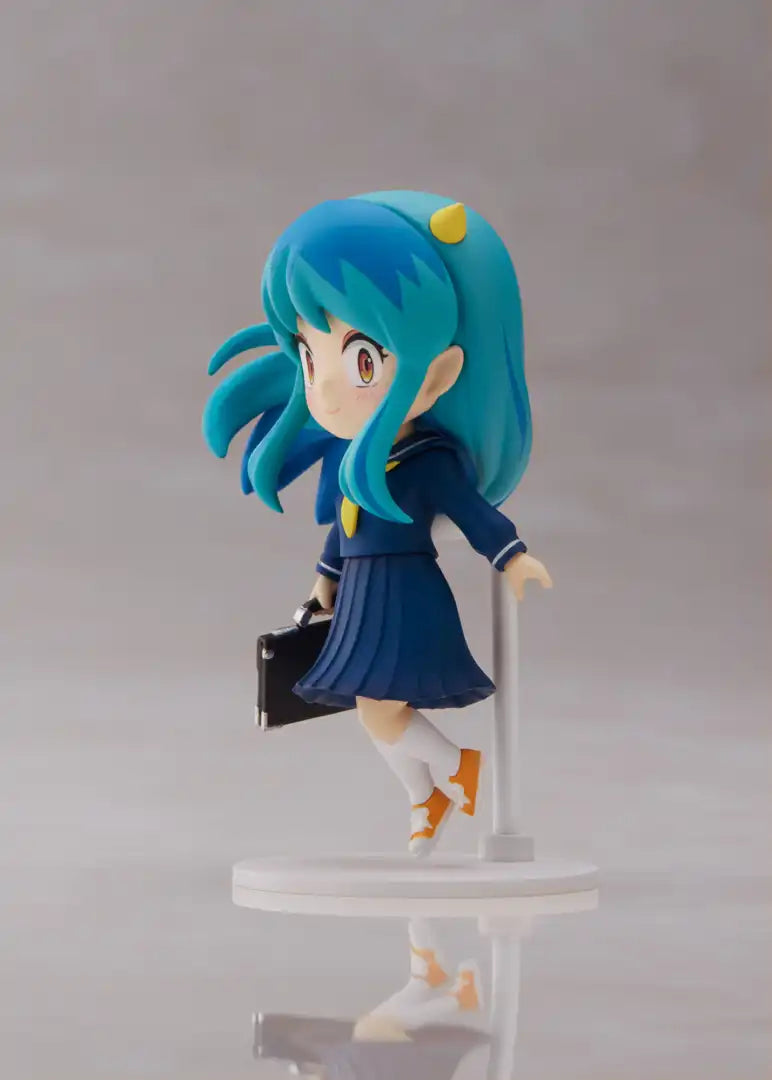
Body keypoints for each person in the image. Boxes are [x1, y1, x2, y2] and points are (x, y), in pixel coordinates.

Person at [204, 192, 552, 855]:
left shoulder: (429, 461)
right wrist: (323, 586)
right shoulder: (354, 461)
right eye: (311, 359)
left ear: (438, 374)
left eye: (362, 360)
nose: (327, 388)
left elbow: (473, 512)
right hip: (364, 596)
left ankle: (453, 769)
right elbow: (345, 529)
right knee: (371, 712)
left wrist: (510, 554)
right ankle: (429, 796)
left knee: (378, 708)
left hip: (404, 596)